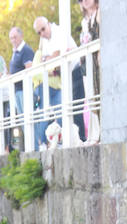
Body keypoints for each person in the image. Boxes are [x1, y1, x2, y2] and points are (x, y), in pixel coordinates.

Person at [33, 15, 85, 146]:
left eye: (43, 29)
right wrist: (50, 58)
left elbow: (57, 54)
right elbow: (47, 59)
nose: (42, 34)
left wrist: (50, 58)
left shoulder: (59, 31)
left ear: (48, 24)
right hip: (63, 75)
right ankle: (73, 140)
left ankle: (81, 139)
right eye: (39, 32)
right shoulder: (44, 41)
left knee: (75, 107)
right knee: (66, 110)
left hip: (74, 70)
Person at [79, 0, 100, 142]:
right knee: (91, 97)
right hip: (88, 62)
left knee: (98, 95)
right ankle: (94, 135)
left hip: (97, 59)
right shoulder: (84, 21)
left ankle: (100, 133)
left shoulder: (100, 14)